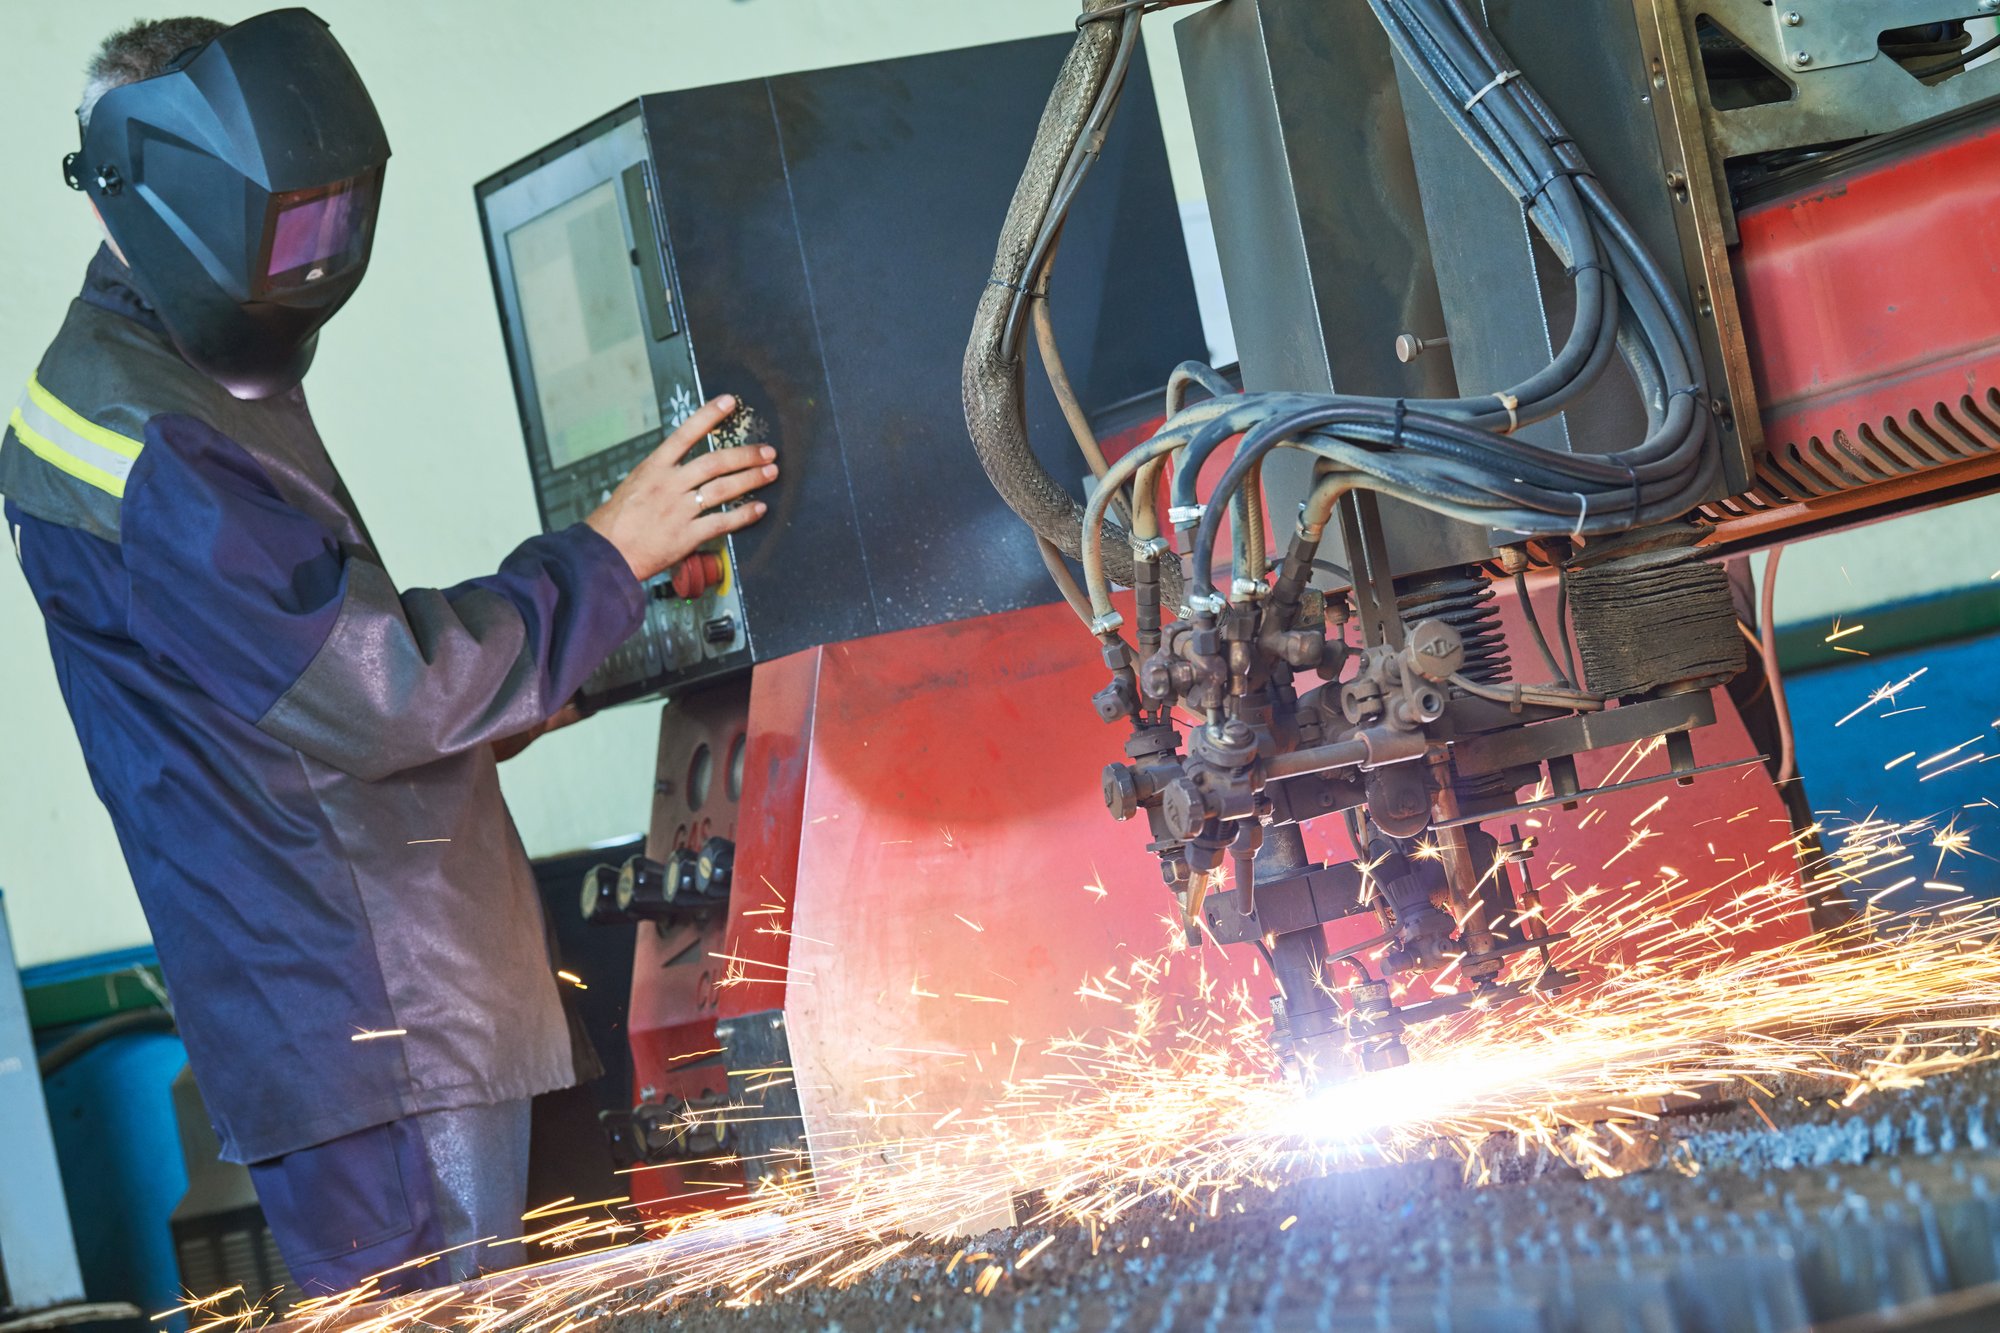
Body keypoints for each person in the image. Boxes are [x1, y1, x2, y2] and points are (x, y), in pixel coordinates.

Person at [0, 11, 775, 1294]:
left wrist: (558, 665)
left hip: (347, 1015)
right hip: (377, 1020)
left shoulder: (150, 379)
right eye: (276, 227)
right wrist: (603, 558)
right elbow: (379, 692)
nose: (303, 264)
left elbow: (272, 681)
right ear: (152, 190)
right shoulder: (154, 438)